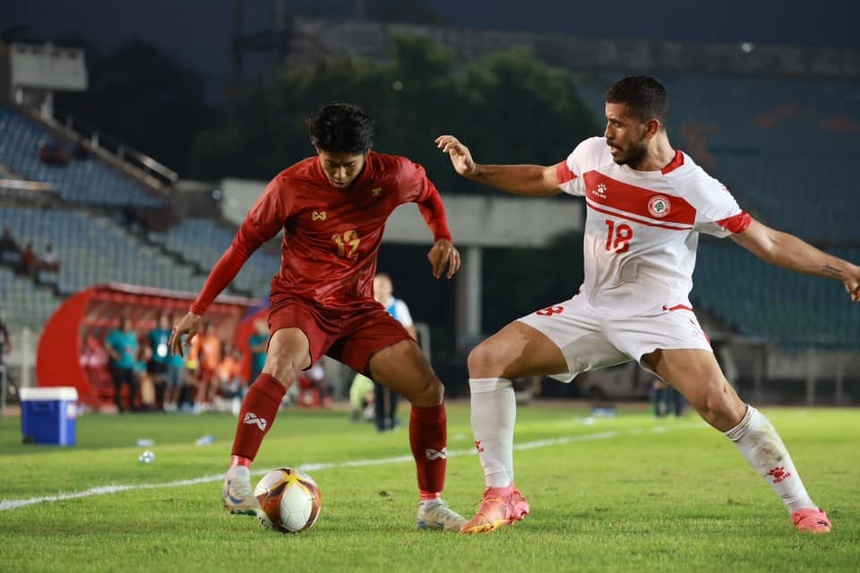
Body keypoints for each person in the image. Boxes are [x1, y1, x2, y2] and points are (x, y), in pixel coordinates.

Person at [436, 75, 860, 535]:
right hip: (592, 310)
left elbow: (771, 242)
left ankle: (802, 506)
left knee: (720, 406)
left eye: (618, 124)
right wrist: (477, 171)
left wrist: (846, 270)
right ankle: (502, 495)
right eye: (607, 121)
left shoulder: (694, 188)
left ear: (650, 127)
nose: (607, 133)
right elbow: (543, 177)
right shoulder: (594, 155)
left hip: (657, 317)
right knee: (487, 360)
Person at [170, 102, 465, 531]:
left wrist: (442, 236)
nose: (339, 174)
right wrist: (198, 310)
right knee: (282, 362)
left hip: (358, 309)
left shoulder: (394, 174)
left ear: (367, 154)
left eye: (348, 165)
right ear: (316, 149)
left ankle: (431, 506)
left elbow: (429, 194)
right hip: (301, 302)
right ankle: (236, 476)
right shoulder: (290, 185)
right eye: (330, 164)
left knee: (428, 388)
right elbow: (241, 247)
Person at [371, 273, 417, 431]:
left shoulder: (398, 306)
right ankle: (380, 422)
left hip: (395, 353)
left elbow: (409, 329)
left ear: (390, 288)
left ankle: (391, 417)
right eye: (378, 285)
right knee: (378, 388)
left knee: (394, 388)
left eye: (384, 285)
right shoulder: (368, 304)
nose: (381, 289)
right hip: (375, 353)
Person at [104, 315, 139, 413]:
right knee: (119, 385)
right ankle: (119, 405)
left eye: (127, 324)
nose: (125, 326)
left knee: (134, 384)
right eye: (124, 323)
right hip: (118, 365)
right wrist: (113, 354)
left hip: (129, 365)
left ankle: (132, 404)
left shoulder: (132, 335)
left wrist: (134, 358)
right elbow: (106, 343)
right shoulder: (115, 334)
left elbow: (135, 347)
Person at [146, 312, 172, 410]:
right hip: (155, 361)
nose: (162, 322)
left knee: (164, 383)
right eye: (161, 320)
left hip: (165, 361)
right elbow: (147, 344)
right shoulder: (153, 333)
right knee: (155, 382)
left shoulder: (169, 333)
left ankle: (162, 404)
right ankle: (153, 403)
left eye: (164, 320)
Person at [248, 317, 269, 384]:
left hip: (266, 368)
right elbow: (253, 349)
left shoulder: (267, 336)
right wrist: (263, 347)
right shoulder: (253, 338)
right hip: (256, 368)